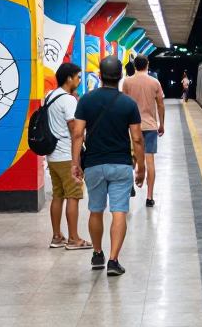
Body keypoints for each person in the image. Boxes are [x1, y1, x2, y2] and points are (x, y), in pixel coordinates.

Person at [70, 55, 144, 277]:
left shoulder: (85, 101)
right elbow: (138, 138)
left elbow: (77, 133)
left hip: (93, 164)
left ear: (100, 76)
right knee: (119, 211)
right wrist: (141, 167)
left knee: (96, 210)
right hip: (121, 165)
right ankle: (113, 260)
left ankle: (97, 253)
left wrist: (75, 163)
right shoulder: (129, 104)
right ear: (120, 76)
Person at [45, 61, 91, 251]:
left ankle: (57, 236)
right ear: (69, 79)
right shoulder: (68, 99)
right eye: (78, 77)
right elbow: (75, 132)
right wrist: (76, 161)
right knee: (73, 195)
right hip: (66, 155)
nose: (80, 81)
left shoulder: (50, 96)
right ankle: (74, 239)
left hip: (52, 155)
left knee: (58, 195)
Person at [123, 53, 164, 207]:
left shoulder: (127, 82)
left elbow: (123, 104)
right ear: (147, 65)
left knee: (131, 159)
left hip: (131, 126)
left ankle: (130, 187)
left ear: (135, 66)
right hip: (150, 126)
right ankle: (149, 197)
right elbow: (160, 105)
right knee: (150, 160)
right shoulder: (155, 83)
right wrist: (161, 124)